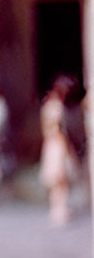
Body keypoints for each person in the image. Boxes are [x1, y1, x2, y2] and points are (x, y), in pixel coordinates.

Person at [39, 75, 79, 226]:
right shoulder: (55, 107)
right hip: (57, 144)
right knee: (59, 178)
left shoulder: (49, 105)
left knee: (59, 180)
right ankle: (59, 211)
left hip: (52, 144)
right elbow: (57, 129)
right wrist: (66, 147)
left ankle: (59, 209)